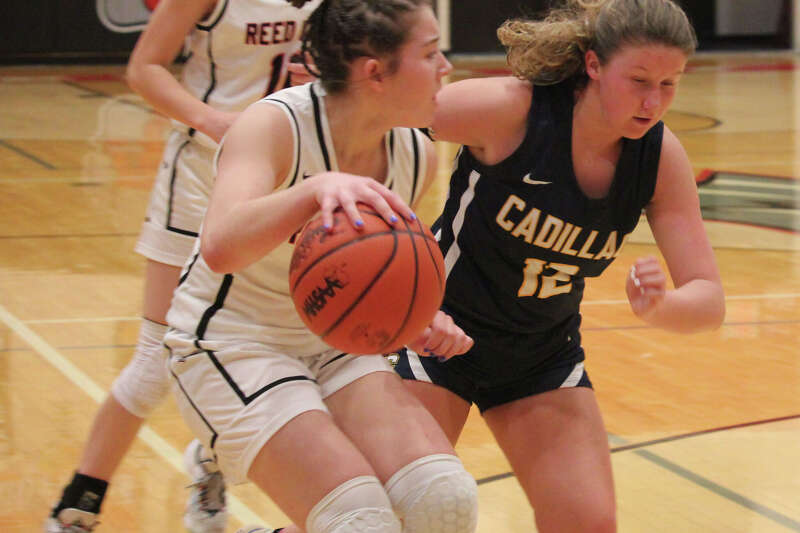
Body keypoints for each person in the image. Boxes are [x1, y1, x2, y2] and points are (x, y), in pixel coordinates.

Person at [393, 1, 726, 532]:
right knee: (407, 512)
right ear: (593, 65)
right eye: (638, 79)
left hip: (540, 355)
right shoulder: (513, 110)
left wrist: (663, 306)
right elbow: (377, 117)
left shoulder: (658, 158)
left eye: (669, 84)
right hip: (437, 333)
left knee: (589, 524)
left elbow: (708, 297)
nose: (651, 101)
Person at [163, 2, 479, 533]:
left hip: (335, 344)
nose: (446, 66)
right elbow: (219, 245)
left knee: (443, 502)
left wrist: (417, 318)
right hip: (231, 344)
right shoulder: (274, 124)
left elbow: (370, 276)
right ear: (374, 72)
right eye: (429, 53)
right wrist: (314, 189)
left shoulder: (414, 153)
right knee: (358, 522)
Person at [45, 1, 321, 532]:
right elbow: (143, 67)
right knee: (155, 361)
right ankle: (77, 506)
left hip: (289, 178)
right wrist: (214, 120)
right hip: (200, 176)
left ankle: (211, 464)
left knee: (276, 348)